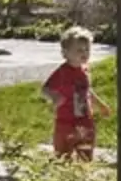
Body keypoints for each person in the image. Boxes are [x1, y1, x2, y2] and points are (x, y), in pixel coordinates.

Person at [42, 26, 113, 161]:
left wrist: (100, 104)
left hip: (85, 120)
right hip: (65, 121)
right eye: (79, 50)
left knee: (85, 153)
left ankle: (83, 174)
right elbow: (45, 88)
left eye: (87, 49)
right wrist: (55, 97)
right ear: (65, 53)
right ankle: (63, 175)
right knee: (62, 155)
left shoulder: (85, 70)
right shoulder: (62, 72)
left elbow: (86, 90)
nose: (84, 53)